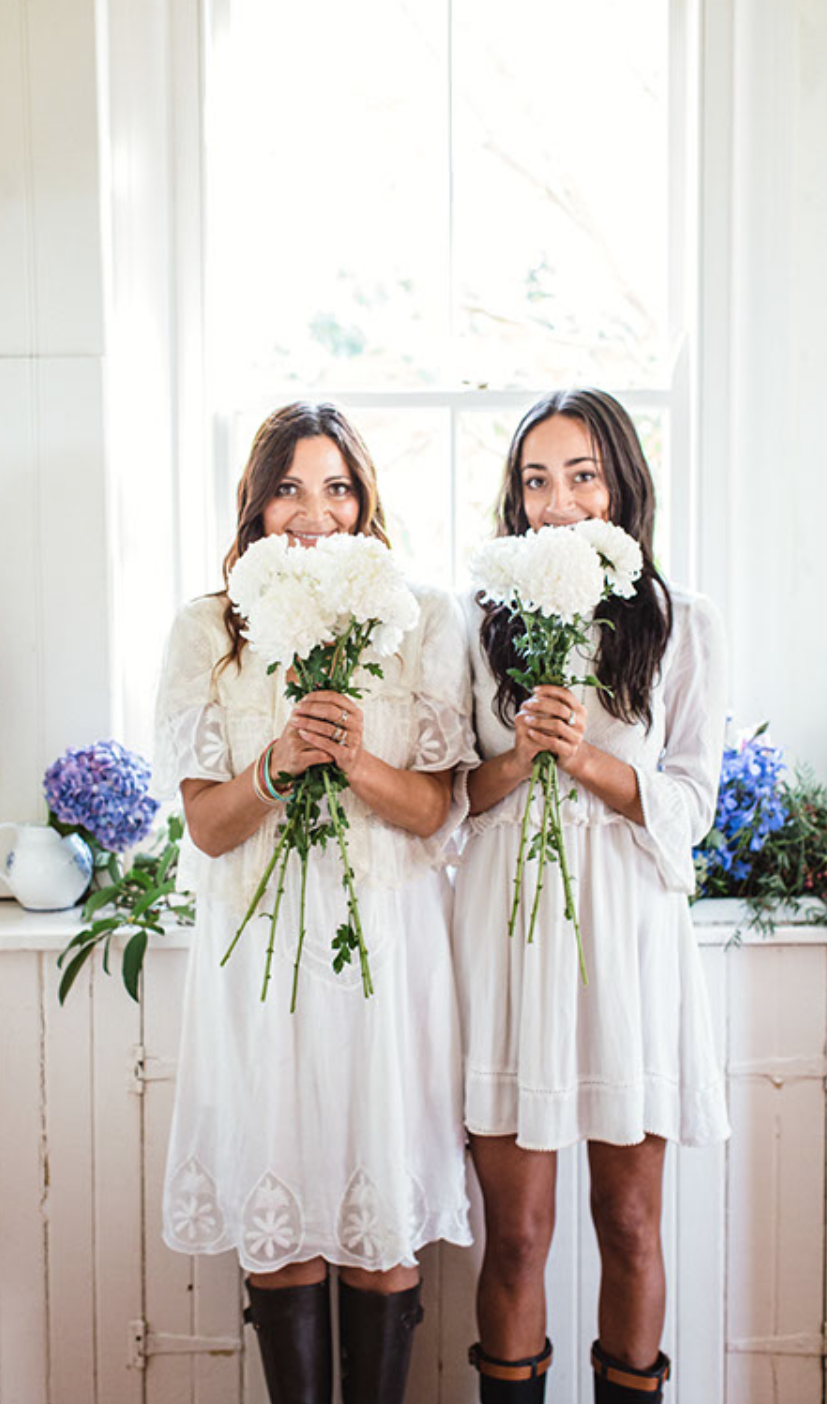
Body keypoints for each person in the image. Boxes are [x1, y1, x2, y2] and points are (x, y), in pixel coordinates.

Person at [150, 401, 476, 1404]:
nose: (314, 513)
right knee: (281, 1222)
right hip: (261, 964)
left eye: (337, 488)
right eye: (288, 488)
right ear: (255, 506)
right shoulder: (207, 627)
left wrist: (352, 759)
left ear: (365, 501)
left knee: (382, 1232)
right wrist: (278, 763)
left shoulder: (422, 617)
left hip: (386, 949)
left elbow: (435, 810)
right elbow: (207, 827)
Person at [453, 389, 729, 1403]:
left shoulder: (682, 623)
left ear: (623, 485)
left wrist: (591, 763)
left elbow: (693, 804)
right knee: (517, 1234)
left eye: (582, 476)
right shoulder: (474, 620)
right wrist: (519, 756)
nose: (558, 502)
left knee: (630, 1222)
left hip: (627, 942)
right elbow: (446, 798)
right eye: (536, 480)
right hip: (505, 938)